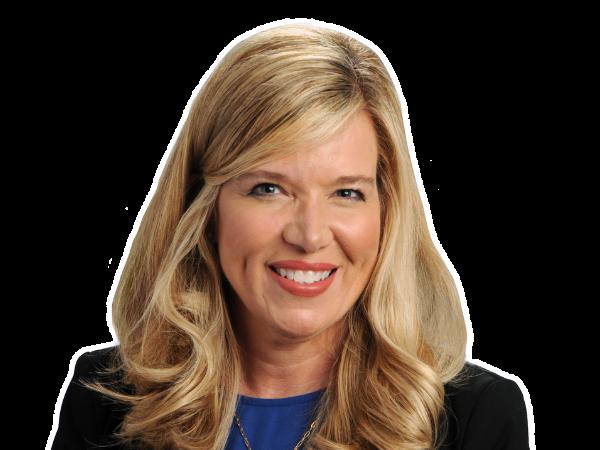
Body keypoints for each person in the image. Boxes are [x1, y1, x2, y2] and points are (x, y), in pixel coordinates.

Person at [50, 21, 531, 450]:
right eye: (269, 189)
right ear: (204, 205)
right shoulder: (108, 400)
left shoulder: (475, 419)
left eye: (346, 192)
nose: (310, 235)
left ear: (388, 212)